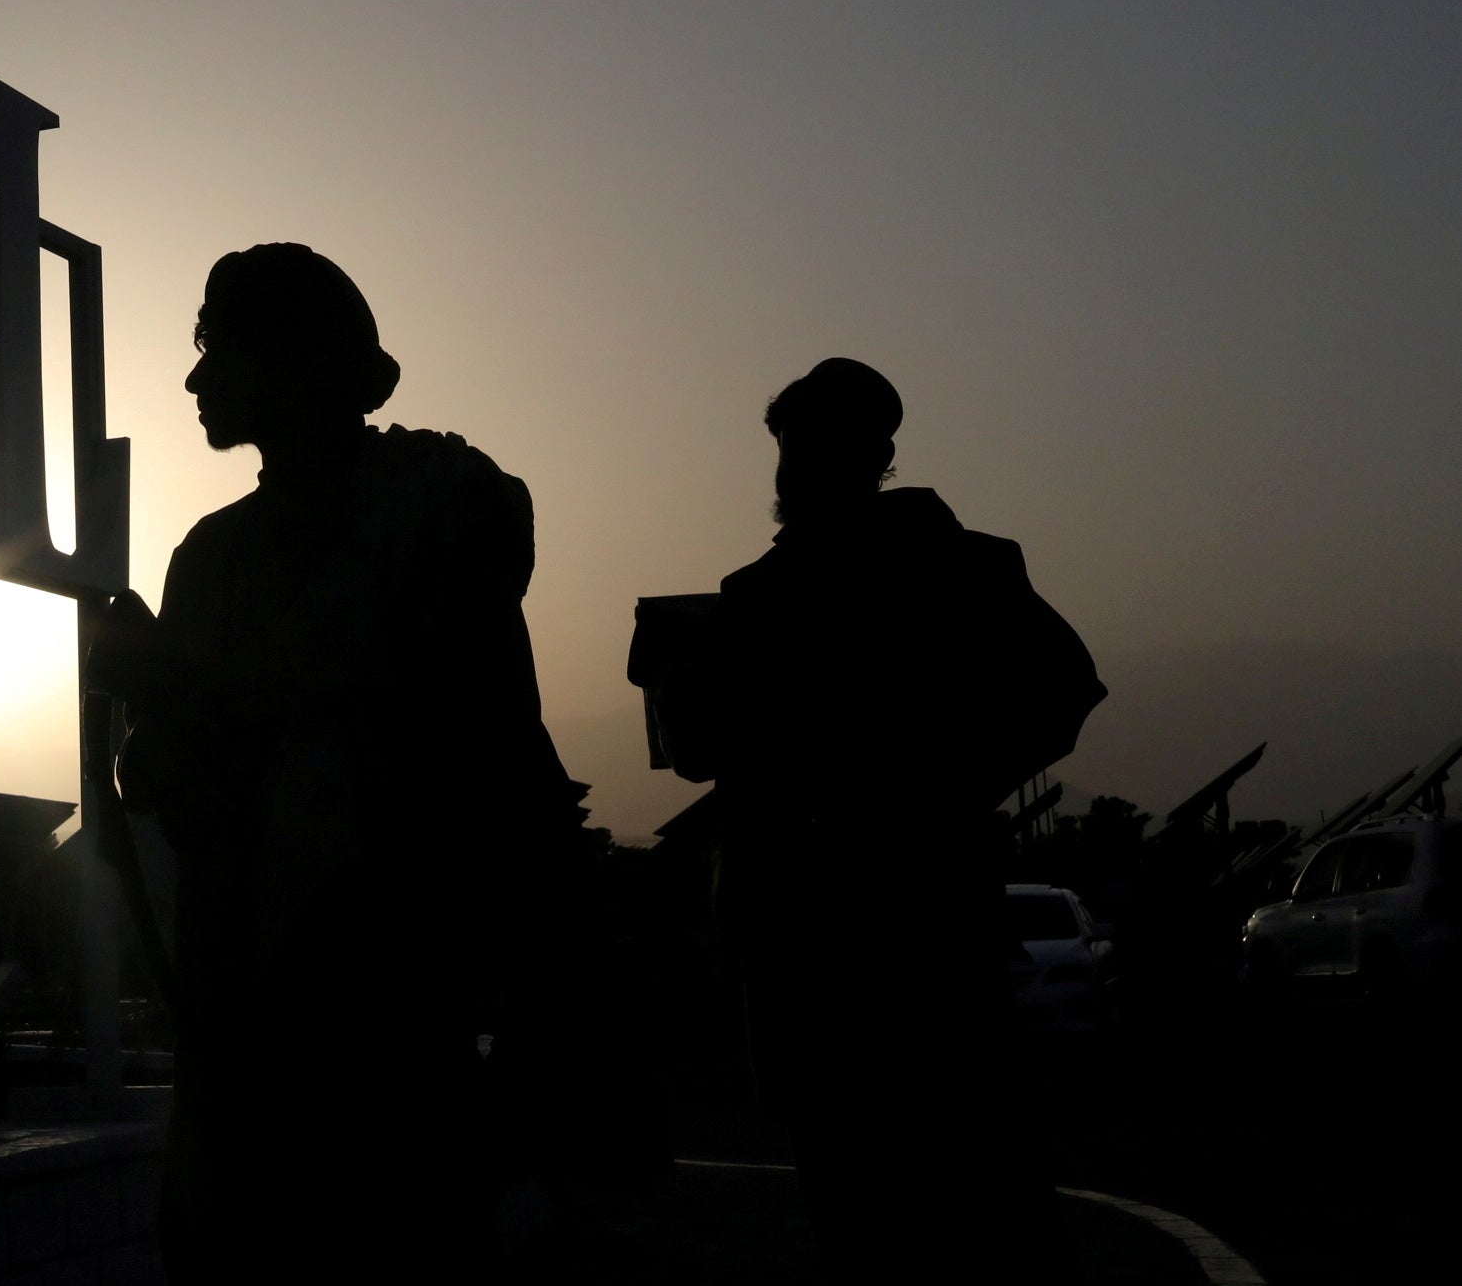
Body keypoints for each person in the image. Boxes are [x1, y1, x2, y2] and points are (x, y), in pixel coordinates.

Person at [94, 244, 585, 1279]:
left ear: (285, 359)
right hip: (273, 1017)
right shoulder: (226, 552)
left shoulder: (418, 531)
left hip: (368, 1010)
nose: (193, 378)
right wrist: (153, 698)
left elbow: (473, 755)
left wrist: (166, 693)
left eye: (212, 346)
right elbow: (192, 786)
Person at [683, 358, 1103, 1283]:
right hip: (808, 941)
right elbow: (724, 758)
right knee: (858, 1208)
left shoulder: (957, 567)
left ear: (871, 456)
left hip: (919, 932)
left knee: (975, 1203)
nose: (790, 476)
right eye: (786, 453)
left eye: (810, 452)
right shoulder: (756, 595)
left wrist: (934, 789)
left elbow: (1063, 687)